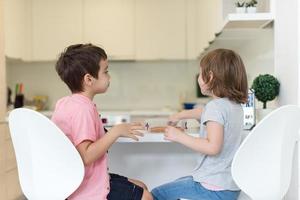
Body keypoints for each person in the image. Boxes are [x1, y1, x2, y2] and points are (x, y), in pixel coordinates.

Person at [51, 43, 153, 200]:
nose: (109, 76)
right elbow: (86, 155)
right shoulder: (83, 109)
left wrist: (117, 130)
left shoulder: (65, 103)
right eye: (105, 72)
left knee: (141, 186)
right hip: (87, 187)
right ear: (89, 79)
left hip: (75, 181)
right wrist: (116, 132)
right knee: (145, 196)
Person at [151, 49, 248, 200]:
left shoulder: (215, 107)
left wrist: (179, 136)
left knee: (157, 194)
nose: (198, 79)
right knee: (180, 182)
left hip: (213, 188)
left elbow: (212, 147)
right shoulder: (233, 106)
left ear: (210, 76)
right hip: (229, 186)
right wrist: (181, 115)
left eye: (200, 73)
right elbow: (205, 113)